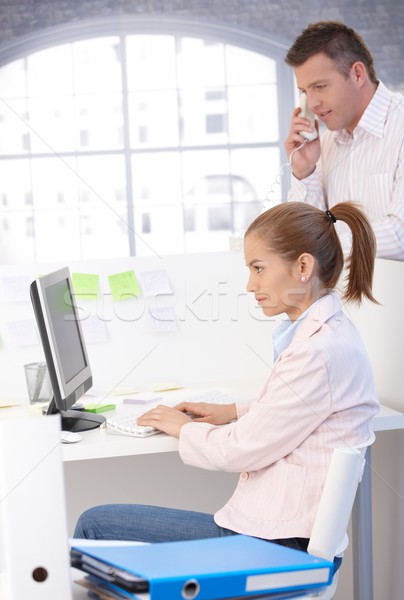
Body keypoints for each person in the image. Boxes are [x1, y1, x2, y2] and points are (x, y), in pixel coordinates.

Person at [74, 201, 379, 570]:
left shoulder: (317, 351)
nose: (251, 285)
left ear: (302, 266)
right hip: (283, 536)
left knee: (94, 525)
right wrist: (231, 411)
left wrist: (182, 428)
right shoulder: (331, 335)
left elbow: (240, 450)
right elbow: (296, 408)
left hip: (276, 549)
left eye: (258, 268)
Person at [284, 21, 404, 261]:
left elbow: (399, 235)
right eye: (305, 92)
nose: (313, 103)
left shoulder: (399, 126)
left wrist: (321, 250)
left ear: (357, 74)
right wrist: (305, 171)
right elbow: (308, 232)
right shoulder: (324, 146)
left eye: (320, 86)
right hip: (345, 296)